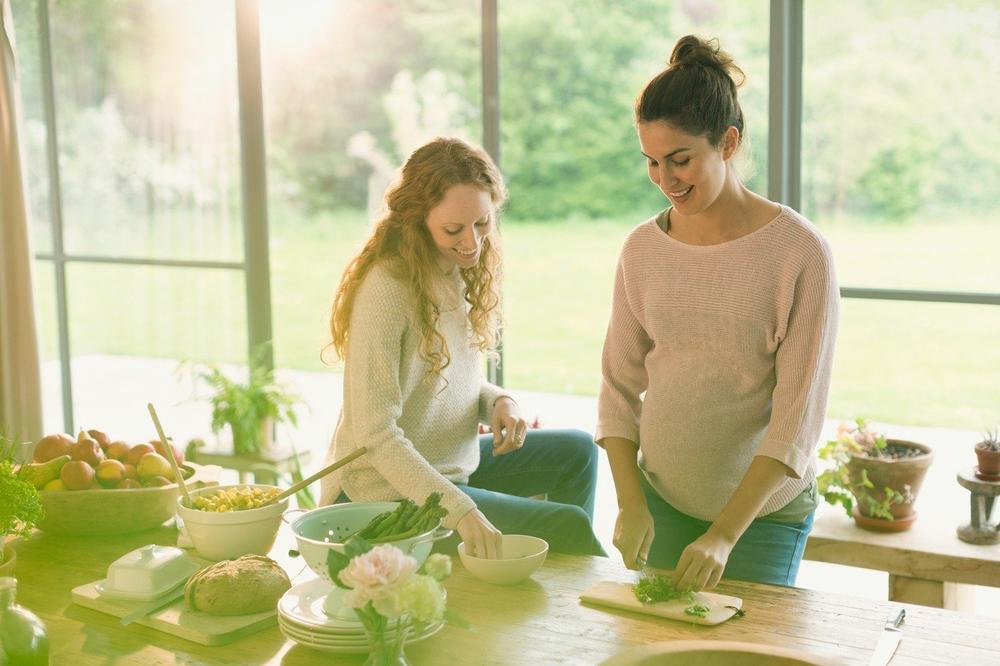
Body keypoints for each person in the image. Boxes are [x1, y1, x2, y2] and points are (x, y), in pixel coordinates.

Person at [596, 35, 839, 591]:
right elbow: (617, 386)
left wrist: (725, 535)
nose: (666, 179)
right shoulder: (641, 250)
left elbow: (796, 421)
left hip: (762, 519)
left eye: (681, 160)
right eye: (652, 163)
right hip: (662, 503)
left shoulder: (799, 253)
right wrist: (631, 503)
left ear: (727, 143)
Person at [320, 137, 606, 559]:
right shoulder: (387, 289)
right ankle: (587, 603)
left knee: (578, 452)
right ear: (417, 221)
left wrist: (499, 402)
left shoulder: (454, 271)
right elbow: (375, 434)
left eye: (482, 223)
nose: (472, 243)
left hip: (448, 469)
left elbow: (448, 381)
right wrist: (460, 511)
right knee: (565, 525)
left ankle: (539, 585)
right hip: (381, 492)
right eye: (453, 230)